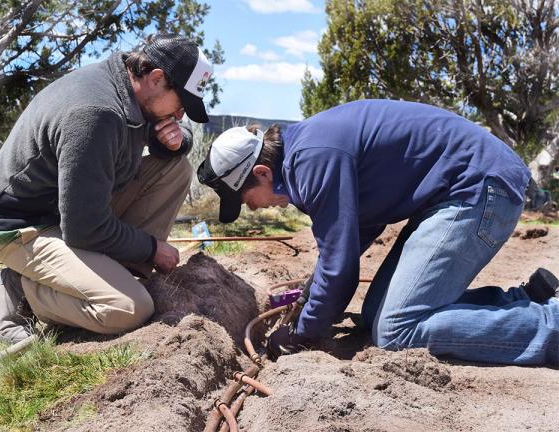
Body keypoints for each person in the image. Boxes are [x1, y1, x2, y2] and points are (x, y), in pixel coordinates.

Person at [198, 100, 559, 366]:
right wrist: (312, 296)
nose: (254, 208)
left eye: (247, 199)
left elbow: (341, 270)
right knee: (375, 317)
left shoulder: (312, 160)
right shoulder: (303, 155)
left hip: (478, 189)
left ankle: (549, 327)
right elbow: (356, 232)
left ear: (262, 172)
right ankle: (519, 303)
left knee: (396, 331)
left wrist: (299, 333)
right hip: (455, 192)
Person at [0, 34, 214, 343]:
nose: (181, 115)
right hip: (24, 226)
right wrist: (151, 248)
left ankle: (110, 271)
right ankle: (19, 287)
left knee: (175, 169)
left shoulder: (131, 86)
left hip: (67, 210)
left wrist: (175, 140)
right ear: (157, 78)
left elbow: (178, 131)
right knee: (129, 307)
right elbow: (85, 228)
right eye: (182, 104)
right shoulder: (97, 113)